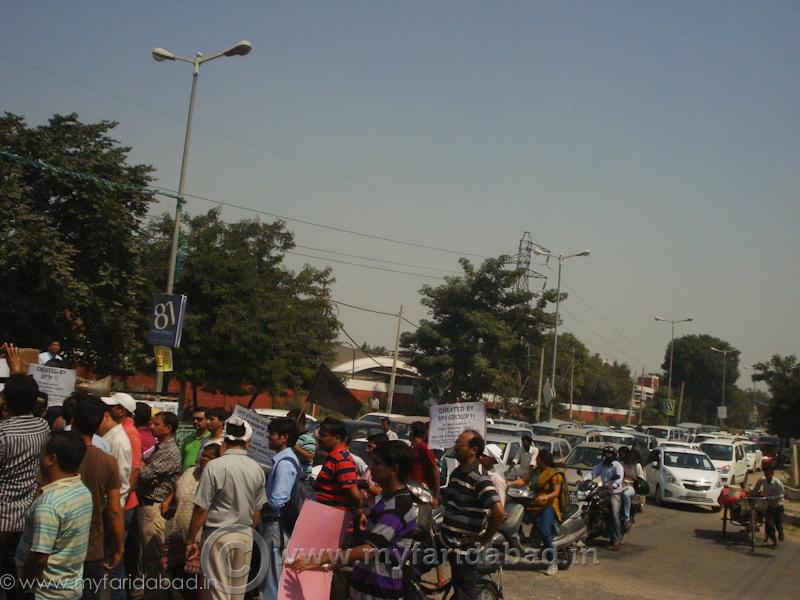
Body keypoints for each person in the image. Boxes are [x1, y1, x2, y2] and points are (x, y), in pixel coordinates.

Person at [291, 441, 418, 600]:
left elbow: (370, 549)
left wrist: (321, 558)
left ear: (394, 469)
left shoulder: (398, 505)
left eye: (377, 463)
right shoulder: (387, 500)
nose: (372, 468)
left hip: (380, 592)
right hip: (364, 589)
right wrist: (338, 563)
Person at [186, 417, 266, 600]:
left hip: (218, 535)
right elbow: (257, 511)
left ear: (224, 441)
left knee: (217, 594)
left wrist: (190, 540)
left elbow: (201, 509)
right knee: (237, 593)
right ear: (248, 443)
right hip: (244, 534)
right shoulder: (257, 469)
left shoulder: (214, 467)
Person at [15, 432, 92, 599]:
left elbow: (39, 558)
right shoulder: (82, 490)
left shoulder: (49, 505)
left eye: (42, 451)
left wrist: (24, 586)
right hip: (69, 588)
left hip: (44, 593)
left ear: (51, 459)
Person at [0, 343, 51, 595]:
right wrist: (16, 370)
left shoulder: (3, 433)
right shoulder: (42, 428)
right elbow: (26, 397)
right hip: (26, 518)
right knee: (16, 580)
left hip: (2, 519)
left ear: (5, 401)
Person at [438, 430, 505, 599]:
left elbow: (499, 513)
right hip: (444, 540)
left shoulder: (480, 479)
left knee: (465, 594)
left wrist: (483, 538)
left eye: (460, 444)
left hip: (463, 549)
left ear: (473, 450)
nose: (455, 447)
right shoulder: (457, 473)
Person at [73, 400, 124, 600]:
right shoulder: (107, 461)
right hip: (92, 546)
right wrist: (119, 546)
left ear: (73, 422)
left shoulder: (56, 454)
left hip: (58, 545)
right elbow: (113, 510)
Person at [313, 418, 365, 599]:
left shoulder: (341, 459)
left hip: (338, 527)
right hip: (330, 525)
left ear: (336, 437)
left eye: (323, 436)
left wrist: (358, 512)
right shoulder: (334, 458)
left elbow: (352, 492)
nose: (319, 439)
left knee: (335, 574)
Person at [161, 443, 221, 598]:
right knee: (176, 579)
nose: (204, 459)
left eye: (210, 457)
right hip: (177, 533)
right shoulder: (189, 472)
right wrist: (168, 502)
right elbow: (177, 492)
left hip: (198, 539)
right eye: (204, 455)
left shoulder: (216, 479)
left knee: (194, 585)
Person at [138, 411, 182, 579]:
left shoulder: (169, 450)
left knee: (152, 556)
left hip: (154, 506)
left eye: (157, 424)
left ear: (168, 428)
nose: (152, 426)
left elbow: (144, 474)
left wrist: (143, 467)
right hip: (147, 502)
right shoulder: (159, 446)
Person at [261, 418, 300, 600]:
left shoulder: (285, 463)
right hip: (275, 524)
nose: (269, 437)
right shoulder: (283, 460)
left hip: (276, 524)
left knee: (272, 575)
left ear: (284, 437)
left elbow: (278, 500)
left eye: (273, 434)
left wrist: (259, 504)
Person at [98, 399, 133, 598]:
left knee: (113, 564)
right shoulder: (109, 436)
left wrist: (114, 514)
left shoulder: (118, 441)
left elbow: (119, 484)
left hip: (114, 510)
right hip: (111, 509)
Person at [525, 450, 563, 575]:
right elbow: (525, 481)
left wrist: (546, 497)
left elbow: (556, 492)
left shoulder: (554, 473)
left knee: (545, 531)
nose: (536, 461)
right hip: (534, 503)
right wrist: (509, 483)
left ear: (542, 460)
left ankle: (553, 562)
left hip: (548, 505)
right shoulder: (536, 472)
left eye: (537, 459)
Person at [591, 446, 625, 550]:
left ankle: (616, 540)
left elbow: (619, 478)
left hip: (615, 493)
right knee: (590, 506)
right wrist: (584, 480)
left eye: (610, 453)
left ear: (614, 455)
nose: (607, 455)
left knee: (614, 515)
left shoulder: (617, 466)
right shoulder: (601, 465)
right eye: (606, 453)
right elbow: (593, 473)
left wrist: (613, 485)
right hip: (604, 491)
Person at [408, 421, 441, 507]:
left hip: (421, 492)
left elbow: (435, 471)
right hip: (411, 489)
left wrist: (435, 497)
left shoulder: (424, 448)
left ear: (411, 432)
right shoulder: (412, 448)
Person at [752, 464, 785, 547]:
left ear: (772, 474)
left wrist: (771, 498)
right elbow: (756, 489)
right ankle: (774, 541)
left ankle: (781, 533)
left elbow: (781, 495)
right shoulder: (762, 480)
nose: (768, 477)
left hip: (778, 507)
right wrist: (753, 494)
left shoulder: (778, 483)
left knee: (779, 524)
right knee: (769, 525)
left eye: (769, 475)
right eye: (766, 475)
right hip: (769, 507)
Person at [618, 446, 644, 525]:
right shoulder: (618, 465)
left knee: (626, 495)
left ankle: (627, 517)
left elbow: (641, 480)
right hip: (619, 486)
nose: (621, 457)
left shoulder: (637, 466)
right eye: (620, 455)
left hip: (630, 486)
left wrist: (630, 475)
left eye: (622, 455)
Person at [286, 409, 316, 477]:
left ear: (301, 421)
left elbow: (309, 458)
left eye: (291, 421)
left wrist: (293, 446)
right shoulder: (291, 436)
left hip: (302, 478)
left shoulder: (308, 439)